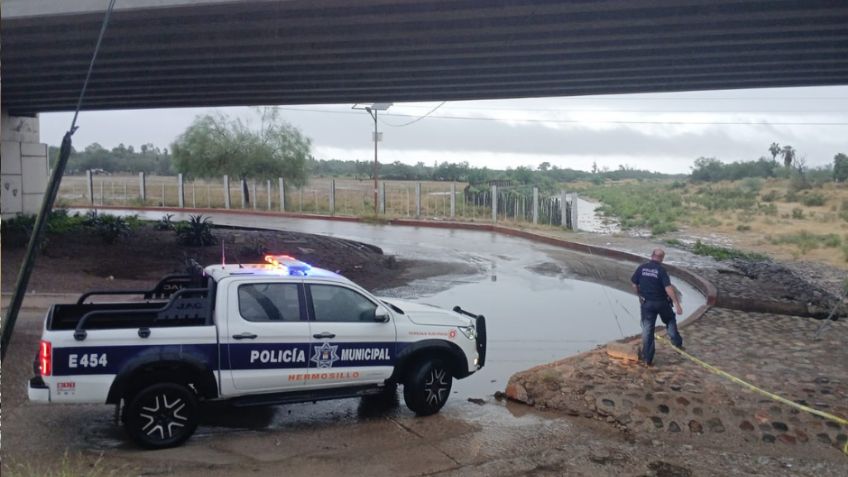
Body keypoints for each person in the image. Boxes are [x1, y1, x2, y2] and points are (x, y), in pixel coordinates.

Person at [630, 248, 683, 366]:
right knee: (669, 320)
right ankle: (676, 342)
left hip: (647, 304)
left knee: (647, 330)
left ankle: (648, 358)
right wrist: (677, 304)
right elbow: (668, 288)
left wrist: (639, 295)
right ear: (662, 258)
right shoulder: (661, 270)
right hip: (662, 303)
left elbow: (634, 284)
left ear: (652, 255)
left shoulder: (642, 268)